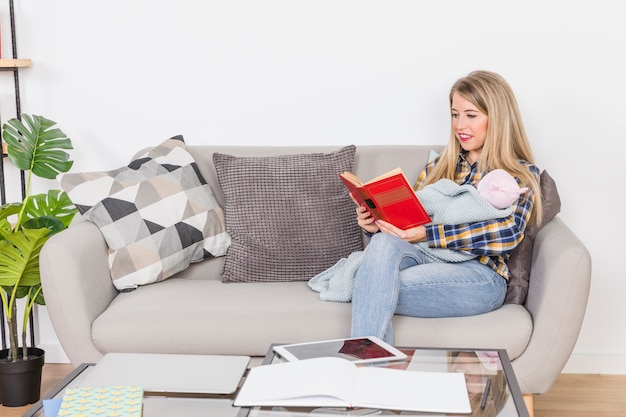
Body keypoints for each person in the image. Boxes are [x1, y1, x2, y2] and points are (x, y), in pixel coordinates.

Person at [351, 70, 543, 344]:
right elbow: (409, 228)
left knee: (370, 282)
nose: (459, 125)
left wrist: (428, 234)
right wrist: (376, 225)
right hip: (425, 260)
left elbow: (507, 234)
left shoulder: (517, 175)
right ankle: (373, 367)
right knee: (380, 251)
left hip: (480, 276)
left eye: (471, 115)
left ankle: (363, 367)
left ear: (498, 119)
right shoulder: (438, 167)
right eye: (455, 114)